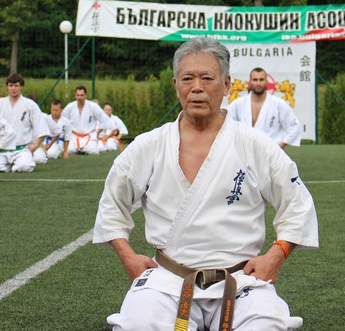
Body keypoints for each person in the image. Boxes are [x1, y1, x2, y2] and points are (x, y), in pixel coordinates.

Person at [93, 37, 319, 331]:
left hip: (241, 280)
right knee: (137, 324)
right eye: (188, 78)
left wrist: (276, 255)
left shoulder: (255, 144)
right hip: (168, 280)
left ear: (226, 85)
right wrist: (128, 256)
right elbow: (112, 203)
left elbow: (298, 204)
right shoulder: (149, 145)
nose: (196, 87)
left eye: (207, 78)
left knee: (268, 325)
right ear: (176, 84)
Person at [227, 67, 302, 149]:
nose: (258, 83)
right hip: (245, 151)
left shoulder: (278, 104)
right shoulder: (238, 104)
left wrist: (280, 146)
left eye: (261, 80)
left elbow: (294, 126)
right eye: (255, 80)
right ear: (250, 82)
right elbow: (225, 123)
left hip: (271, 151)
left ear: (266, 82)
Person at [0, 74, 49, 173]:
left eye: (16, 86)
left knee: (25, 166)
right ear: (7, 87)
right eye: (11, 85)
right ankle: (10, 167)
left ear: (21, 87)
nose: (13, 88)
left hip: (22, 149)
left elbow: (41, 127)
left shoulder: (30, 105)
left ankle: (15, 166)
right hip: (2, 149)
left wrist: (35, 145)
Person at [62, 86, 110, 157]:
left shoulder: (93, 106)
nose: (79, 97)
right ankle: (81, 150)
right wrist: (66, 133)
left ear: (85, 96)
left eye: (82, 95)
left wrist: (98, 131)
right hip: (74, 136)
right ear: (75, 96)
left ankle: (82, 150)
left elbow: (105, 119)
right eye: (78, 95)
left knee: (92, 150)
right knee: (69, 149)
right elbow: (62, 120)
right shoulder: (70, 106)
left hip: (89, 135)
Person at [33, 100, 67, 164]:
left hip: (38, 146)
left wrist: (49, 145)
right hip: (21, 147)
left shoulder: (43, 116)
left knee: (39, 159)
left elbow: (58, 132)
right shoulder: (19, 116)